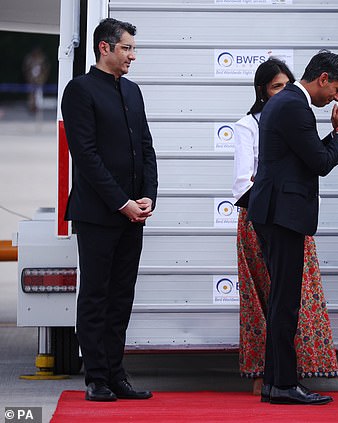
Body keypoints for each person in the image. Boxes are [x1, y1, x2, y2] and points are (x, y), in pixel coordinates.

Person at [247, 50, 338, 405]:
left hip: (274, 212)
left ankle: (275, 383)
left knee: (281, 300)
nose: (336, 97)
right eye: (336, 89)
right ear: (322, 78)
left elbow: (307, 156)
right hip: (282, 215)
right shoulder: (295, 106)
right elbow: (321, 162)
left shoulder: (288, 102)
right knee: (286, 303)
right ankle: (284, 384)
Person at [61, 18, 157, 402]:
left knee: (122, 296)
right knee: (96, 296)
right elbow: (85, 156)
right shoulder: (80, 90)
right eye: (127, 48)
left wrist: (148, 196)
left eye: (133, 48)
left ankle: (117, 375)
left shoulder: (133, 92)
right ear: (105, 48)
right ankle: (96, 378)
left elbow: (146, 148)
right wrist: (122, 203)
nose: (133, 55)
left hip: (134, 213)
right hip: (99, 214)